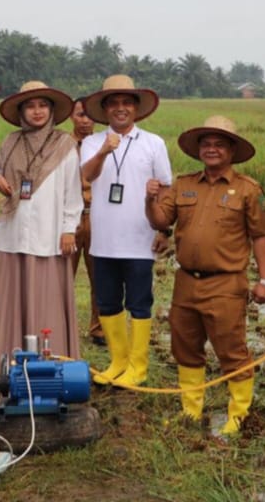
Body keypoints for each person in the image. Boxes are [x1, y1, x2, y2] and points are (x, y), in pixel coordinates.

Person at [146, 116, 265, 436]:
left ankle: (239, 414)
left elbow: (260, 236)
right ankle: (191, 410)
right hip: (186, 281)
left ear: (232, 150)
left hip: (226, 282)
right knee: (185, 346)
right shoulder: (184, 184)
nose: (212, 149)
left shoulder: (248, 189)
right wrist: (150, 200)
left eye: (219, 144)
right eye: (206, 144)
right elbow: (160, 219)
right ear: (198, 150)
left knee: (232, 349)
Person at [80, 74, 172, 387]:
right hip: (104, 240)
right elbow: (87, 176)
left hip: (139, 239)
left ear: (136, 108)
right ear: (105, 110)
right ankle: (118, 361)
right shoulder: (93, 143)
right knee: (107, 302)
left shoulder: (153, 143)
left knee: (139, 303)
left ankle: (139, 366)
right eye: (114, 103)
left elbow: (166, 190)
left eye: (126, 103)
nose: (120, 108)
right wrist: (105, 151)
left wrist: (164, 230)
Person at [0, 81, 83, 368]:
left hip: (49, 237)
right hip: (11, 236)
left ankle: (51, 364)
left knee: (47, 301)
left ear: (52, 110)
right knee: (11, 300)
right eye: (30, 106)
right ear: (21, 111)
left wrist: (68, 229)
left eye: (43, 105)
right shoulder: (11, 141)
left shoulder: (65, 145)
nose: (37, 111)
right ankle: (10, 364)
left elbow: (72, 192)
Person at [69, 97, 104, 345]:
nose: (86, 120)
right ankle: (61, 326)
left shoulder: (106, 144)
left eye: (90, 115)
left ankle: (100, 329)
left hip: (98, 214)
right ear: (71, 116)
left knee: (101, 275)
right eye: (80, 114)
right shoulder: (61, 145)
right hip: (70, 217)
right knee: (62, 275)